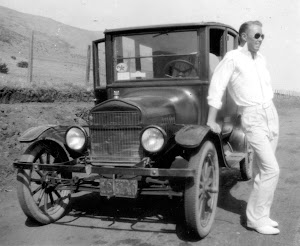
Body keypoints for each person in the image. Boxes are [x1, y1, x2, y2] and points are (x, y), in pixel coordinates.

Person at [206, 21, 280, 235]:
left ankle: (261, 215)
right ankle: (256, 220)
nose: (260, 39)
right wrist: (212, 119)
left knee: (261, 170)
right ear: (244, 36)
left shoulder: (261, 59)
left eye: (262, 36)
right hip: (252, 115)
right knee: (271, 169)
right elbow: (217, 86)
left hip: (270, 113)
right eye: (256, 35)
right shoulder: (232, 58)